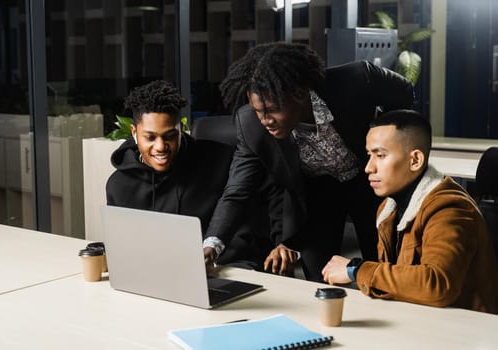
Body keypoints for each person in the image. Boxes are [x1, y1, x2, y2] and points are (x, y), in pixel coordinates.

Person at [203, 42, 414, 281]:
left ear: (300, 95)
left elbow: (404, 91)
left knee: (384, 267)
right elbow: (236, 192)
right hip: (317, 197)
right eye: (258, 111)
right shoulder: (251, 126)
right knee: (319, 278)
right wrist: (212, 244)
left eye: (272, 110)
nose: (265, 120)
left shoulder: (356, 79)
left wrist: (384, 136)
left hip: (370, 183)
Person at [322, 110, 498, 314]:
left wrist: (356, 270)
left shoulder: (450, 208)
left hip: (465, 331)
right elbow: (397, 280)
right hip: (417, 316)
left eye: (380, 155)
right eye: (369, 155)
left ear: (415, 160)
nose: (369, 167)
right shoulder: (388, 208)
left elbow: (437, 285)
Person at [106, 80, 273, 268]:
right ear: (134, 133)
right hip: (155, 274)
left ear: (181, 130)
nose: (160, 147)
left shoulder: (221, 161)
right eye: (150, 137)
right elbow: (124, 248)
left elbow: (258, 215)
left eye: (170, 136)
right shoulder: (119, 185)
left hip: (225, 269)